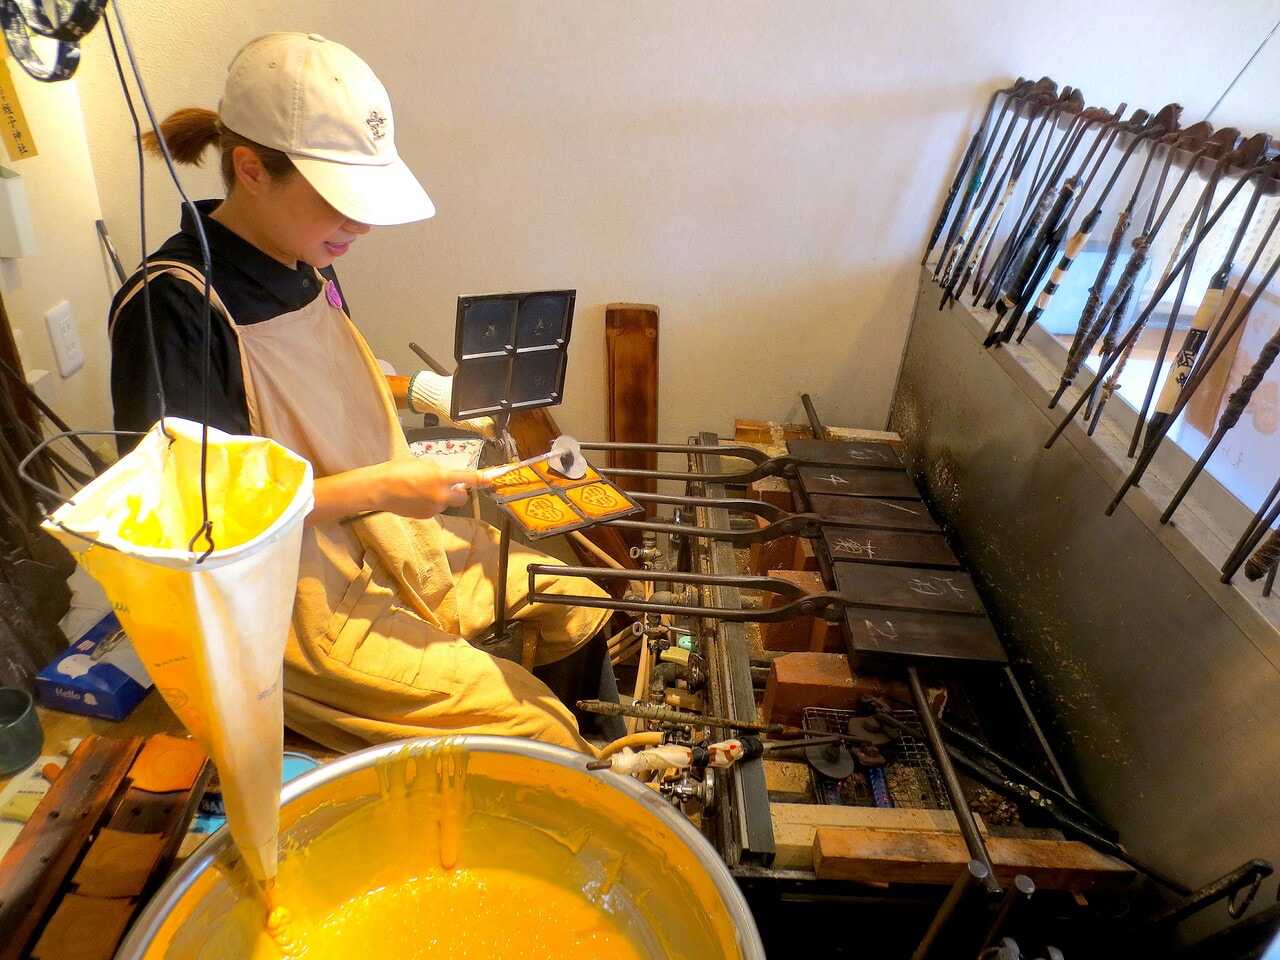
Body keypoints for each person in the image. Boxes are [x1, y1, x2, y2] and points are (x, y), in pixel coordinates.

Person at [108, 32, 625, 754]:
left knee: (576, 603)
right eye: (338, 200)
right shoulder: (175, 308)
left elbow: (318, 385)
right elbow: (192, 523)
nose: (362, 224)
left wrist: (425, 391)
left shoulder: (303, 257)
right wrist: (381, 486)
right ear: (251, 169)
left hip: (379, 539)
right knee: (535, 728)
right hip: (291, 600)